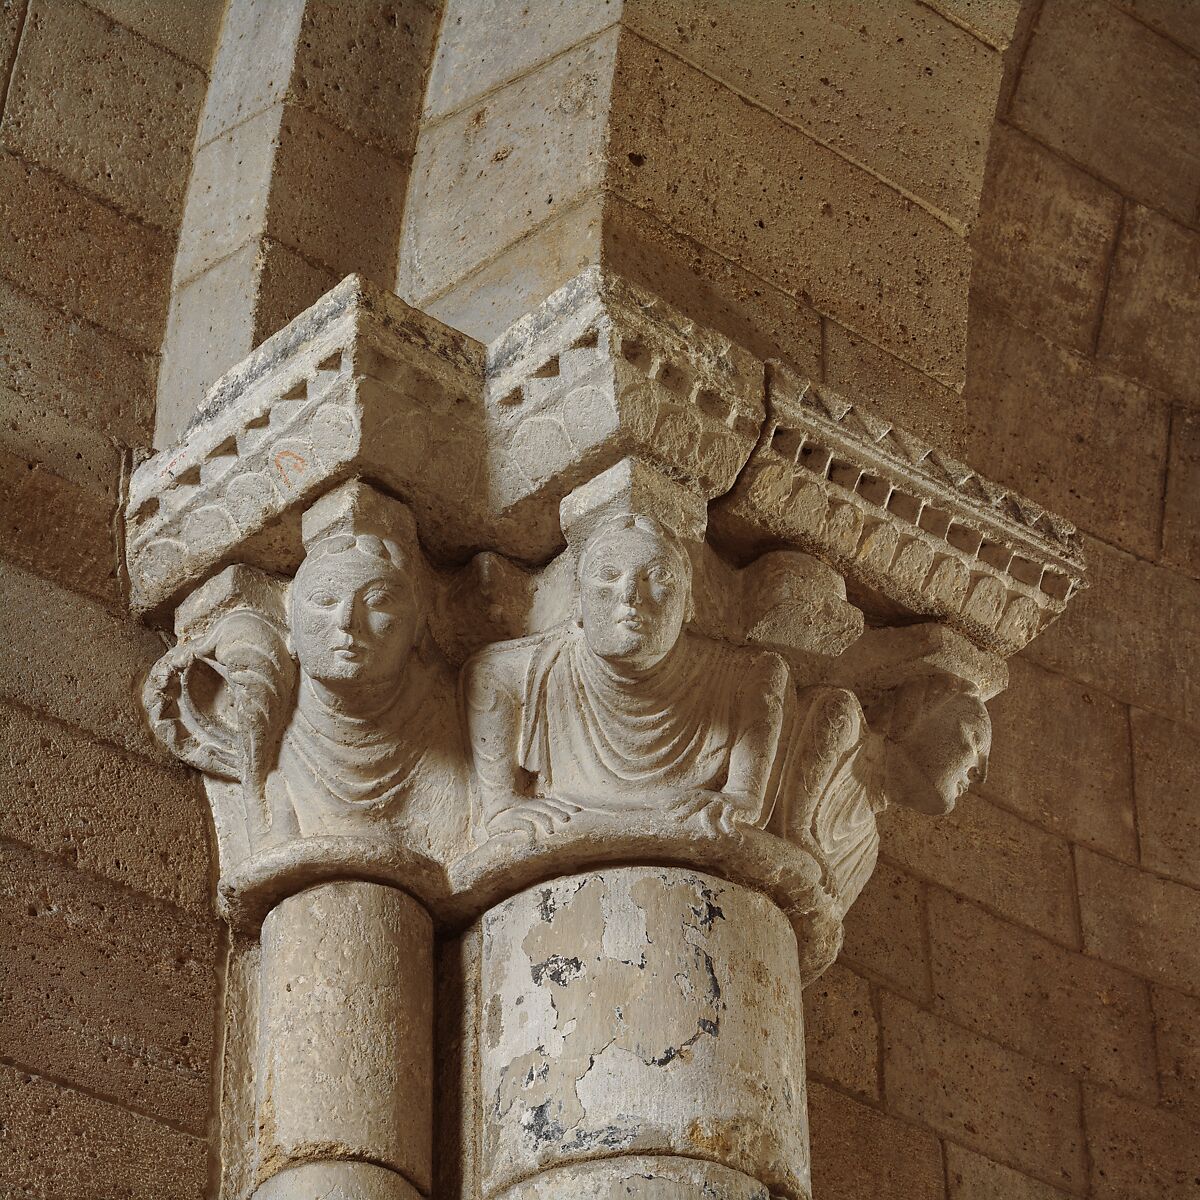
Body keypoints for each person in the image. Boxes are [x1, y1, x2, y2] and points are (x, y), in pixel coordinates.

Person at [463, 513, 790, 837]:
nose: (631, 593)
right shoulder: (541, 669)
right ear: (578, 601)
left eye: (658, 575)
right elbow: (488, 672)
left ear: (689, 603)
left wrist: (743, 795)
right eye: (608, 574)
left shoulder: (735, 677)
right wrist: (500, 803)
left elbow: (767, 674)